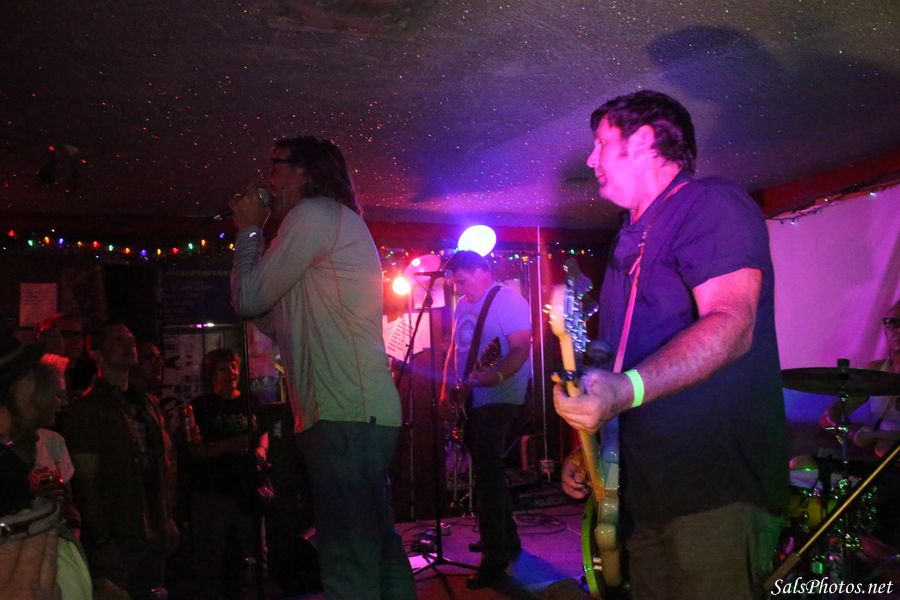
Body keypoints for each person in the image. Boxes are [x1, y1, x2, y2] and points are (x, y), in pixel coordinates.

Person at [554, 90, 788, 600]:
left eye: (600, 143)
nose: (591, 160)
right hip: (643, 490)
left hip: (713, 489)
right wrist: (590, 447)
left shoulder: (710, 203)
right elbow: (616, 364)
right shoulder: (627, 239)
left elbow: (732, 323)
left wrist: (623, 391)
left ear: (641, 141)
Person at [228, 136, 415, 599]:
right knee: (375, 544)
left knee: (348, 553)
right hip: (350, 412)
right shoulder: (323, 227)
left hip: (344, 412)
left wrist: (249, 232)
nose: (269, 178)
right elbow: (266, 314)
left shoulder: (313, 215)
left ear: (304, 171)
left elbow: (247, 298)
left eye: (276, 165)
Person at [63, 322, 178, 599]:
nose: (130, 345)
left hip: (153, 529)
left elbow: (164, 464)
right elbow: (86, 482)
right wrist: (103, 539)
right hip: (120, 532)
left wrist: (168, 518)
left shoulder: (146, 403)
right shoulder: (87, 409)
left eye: (131, 339)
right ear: (96, 353)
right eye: (118, 340)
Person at [439, 250, 531, 589]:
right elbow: (456, 349)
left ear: (481, 271)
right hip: (472, 397)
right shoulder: (463, 305)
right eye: (455, 283)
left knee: (487, 477)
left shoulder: (508, 301)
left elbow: (521, 348)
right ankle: (507, 539)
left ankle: (494, 558)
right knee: (488, 471)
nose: (459, 288)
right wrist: (448, 388)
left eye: (463, 280)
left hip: (501, 398)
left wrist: (495, 377)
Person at [187, 347, 269, 600]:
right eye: (224, 368)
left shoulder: (250, 402)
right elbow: (195, 451)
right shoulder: (201, 406)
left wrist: (261, 450)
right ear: (211, 374)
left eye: (233, 366)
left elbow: (264, 431)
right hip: (215, 491)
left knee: (253, 550)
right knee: (213, 555)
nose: (231, 372)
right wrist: (230, 445)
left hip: (247, 489)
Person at [819, 299, 900, 550]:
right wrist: (850, 433)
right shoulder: (876, 370)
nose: (897, 330)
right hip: (879, 466)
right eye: (892, 322)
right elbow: (829, 416)